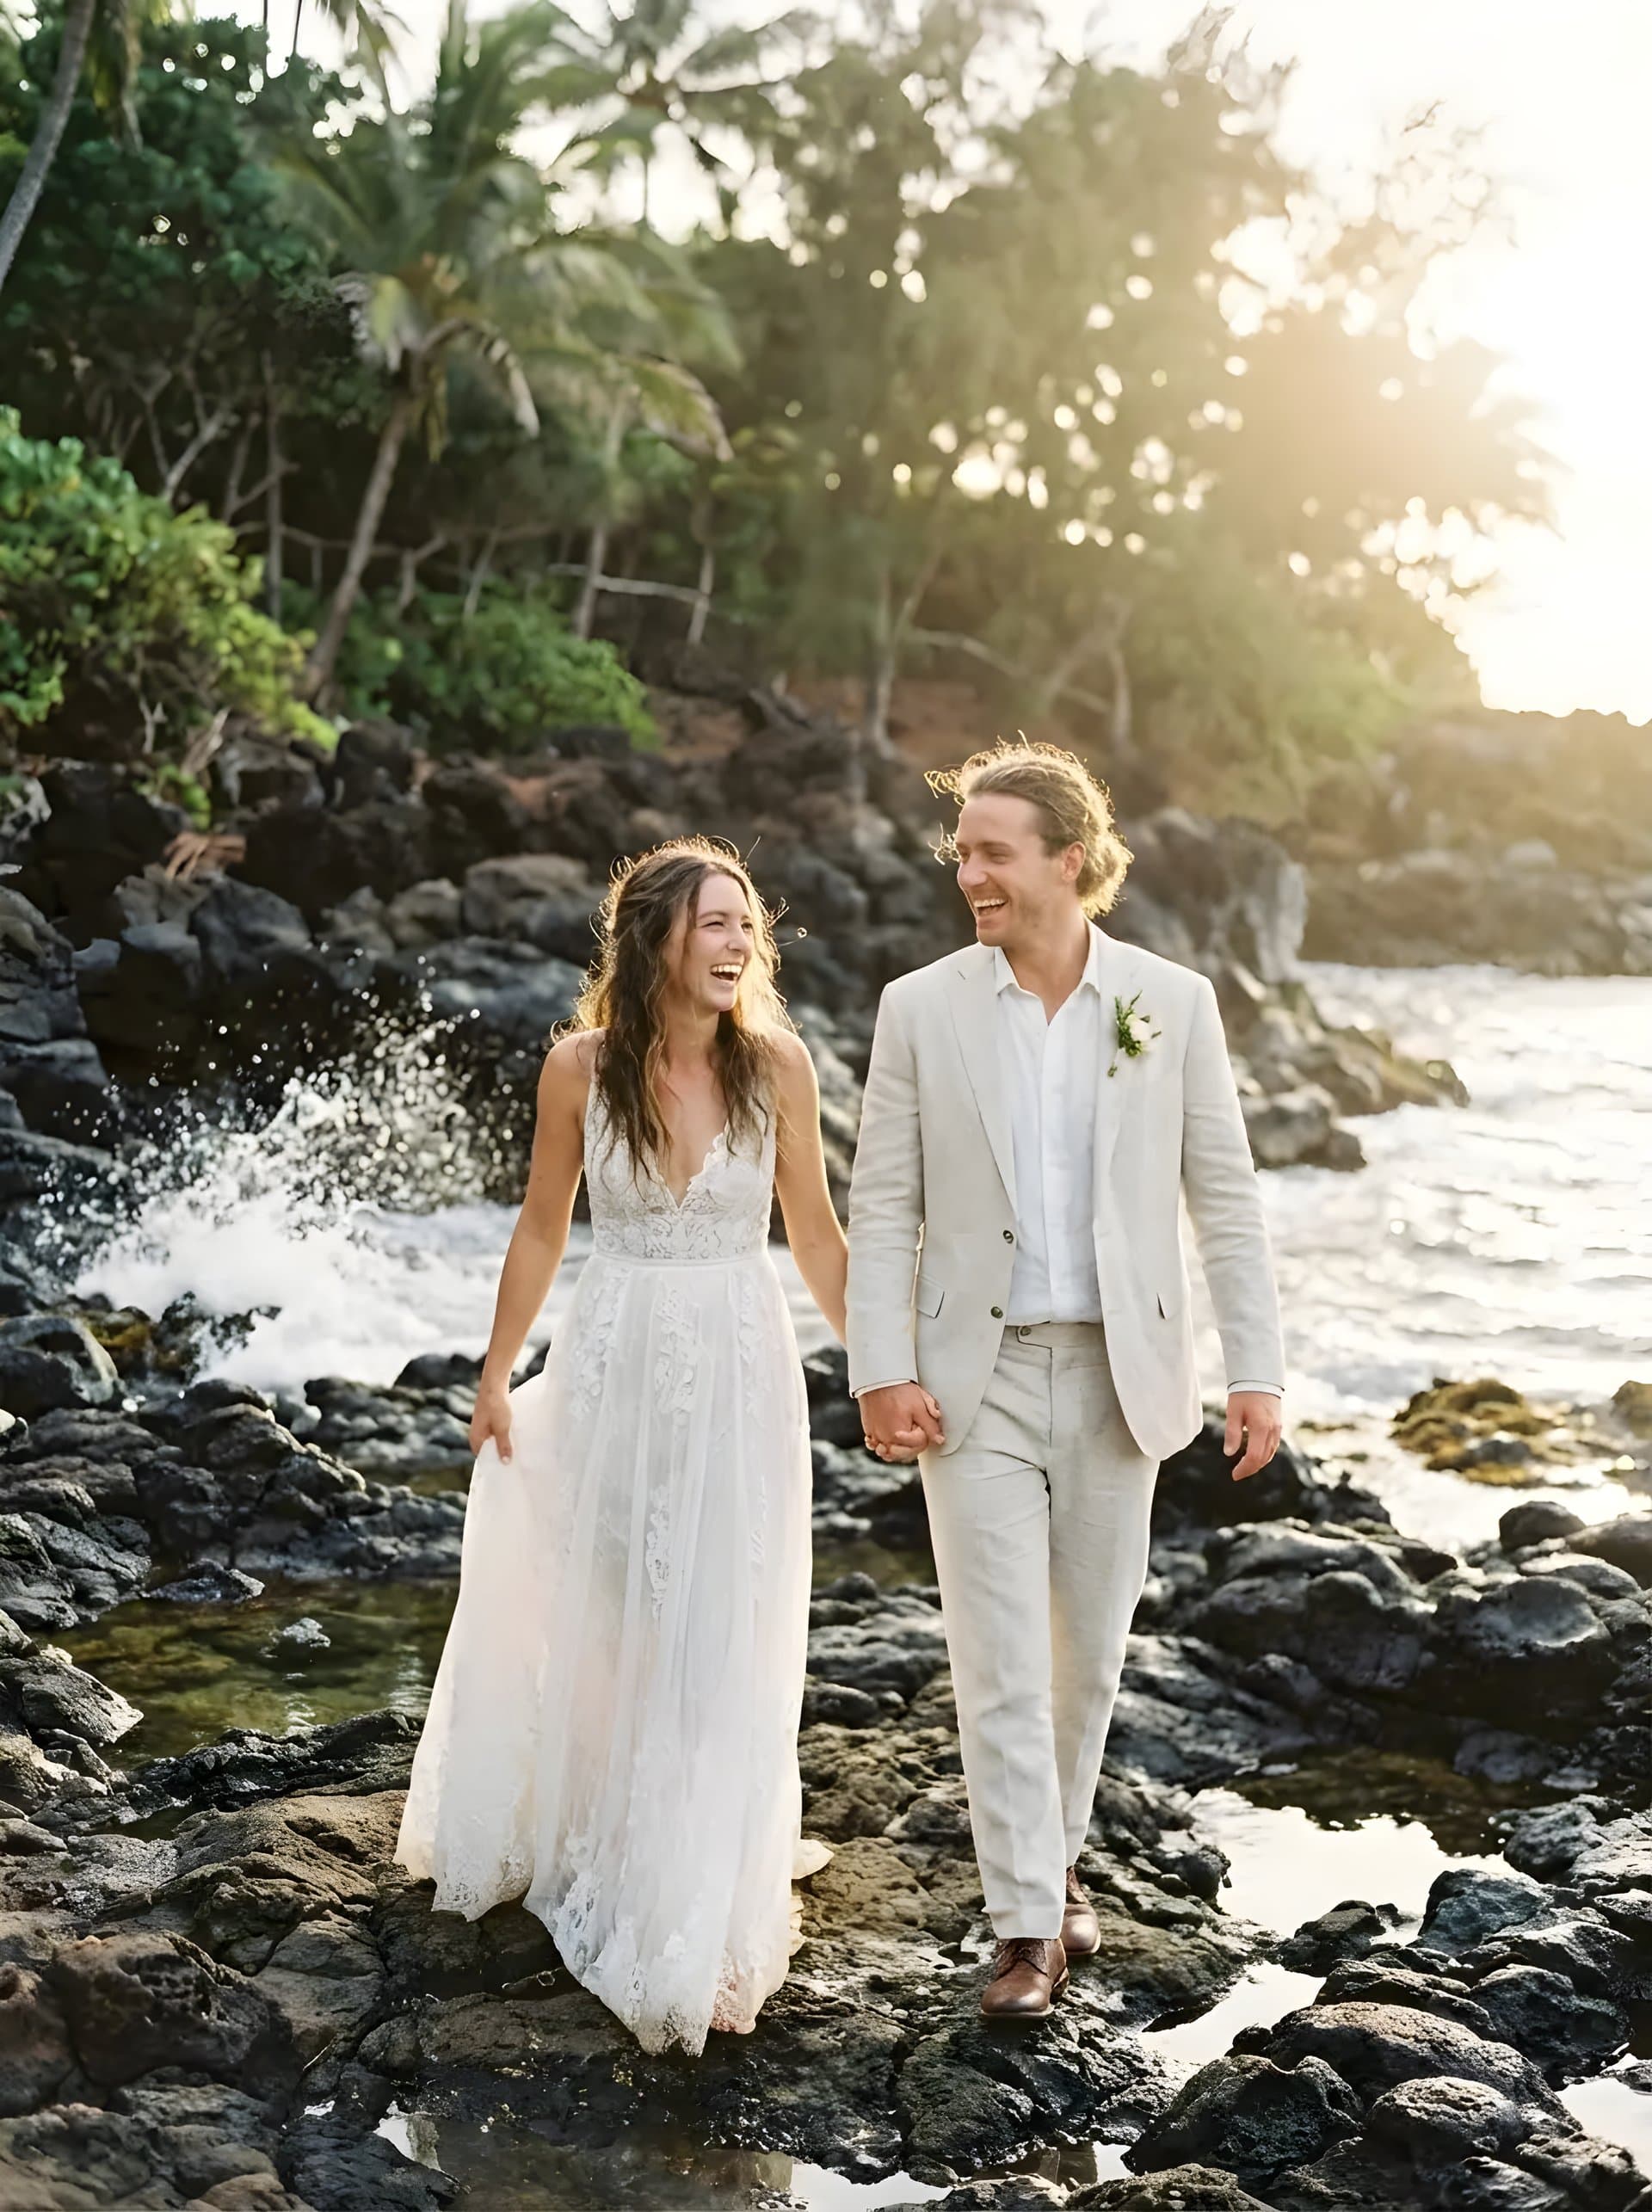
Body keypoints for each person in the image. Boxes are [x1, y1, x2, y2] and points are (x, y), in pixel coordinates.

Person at [396, 838, 911, 2055]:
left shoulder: (778, 1065)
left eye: (748, 926)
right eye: (715, 925)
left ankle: (703, 1892)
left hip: (739, 1364)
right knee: (619, 1608)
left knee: (723, 1617)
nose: (740, 945)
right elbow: (537, 1228)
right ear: (655, 942)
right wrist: (495, 1373)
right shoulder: (579, 1067)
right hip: (614, 1359)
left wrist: (884, 1371)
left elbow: (820, 1239)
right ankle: (610, 1841)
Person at [846, 742, 1285, 2021]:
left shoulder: (1172, 1002)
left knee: (1085, 1662)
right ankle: (1026, 1928)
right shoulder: (918, 1008)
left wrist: (1252, 1371)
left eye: (992, 852)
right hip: (968, 1381)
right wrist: (880, 1369)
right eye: (961, 853)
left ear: (1068, 863)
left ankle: (1056, 1860)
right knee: (996, 1664)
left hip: (1119, 1378)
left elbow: (1228, 1201)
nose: (967, 873)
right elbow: (884, 1208)